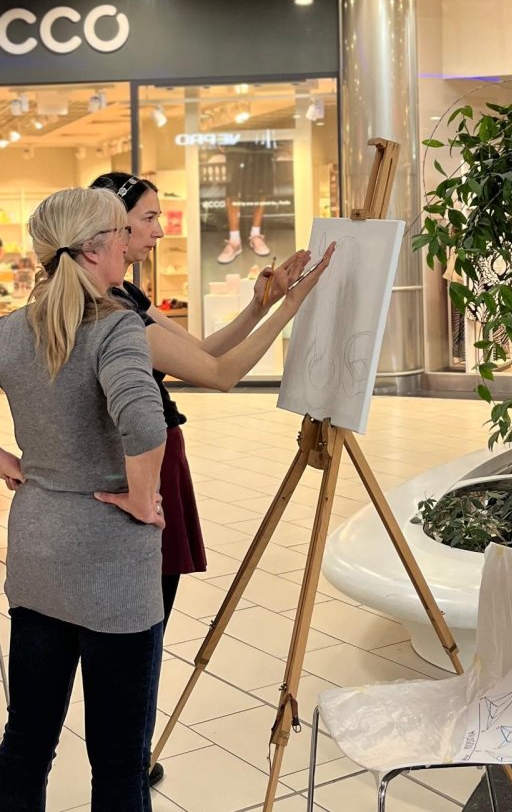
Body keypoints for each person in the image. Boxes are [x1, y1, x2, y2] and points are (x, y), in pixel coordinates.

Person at [89, 172, 333, 785]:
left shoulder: (128, 296)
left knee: (150, 614)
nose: (157, 230)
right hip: (141, 463)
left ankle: (129, 753)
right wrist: (292, 307)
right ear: (110, 226)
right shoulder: (111, 311)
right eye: (147, 219)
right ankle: (128, 759)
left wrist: (262, 303)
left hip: (155, 456)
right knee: (144, 620)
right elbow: (220, 375)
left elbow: (202, 352)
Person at [0, 187, 167, 812]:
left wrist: (6, 461)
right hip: (111, 565)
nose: (129, 243)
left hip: (37, 549)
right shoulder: (116, 326)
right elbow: (144, 422)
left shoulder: (11, 330)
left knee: (25, 743)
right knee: (119, 764)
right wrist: (141, 498)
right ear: (94, 249)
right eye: (121, 233)